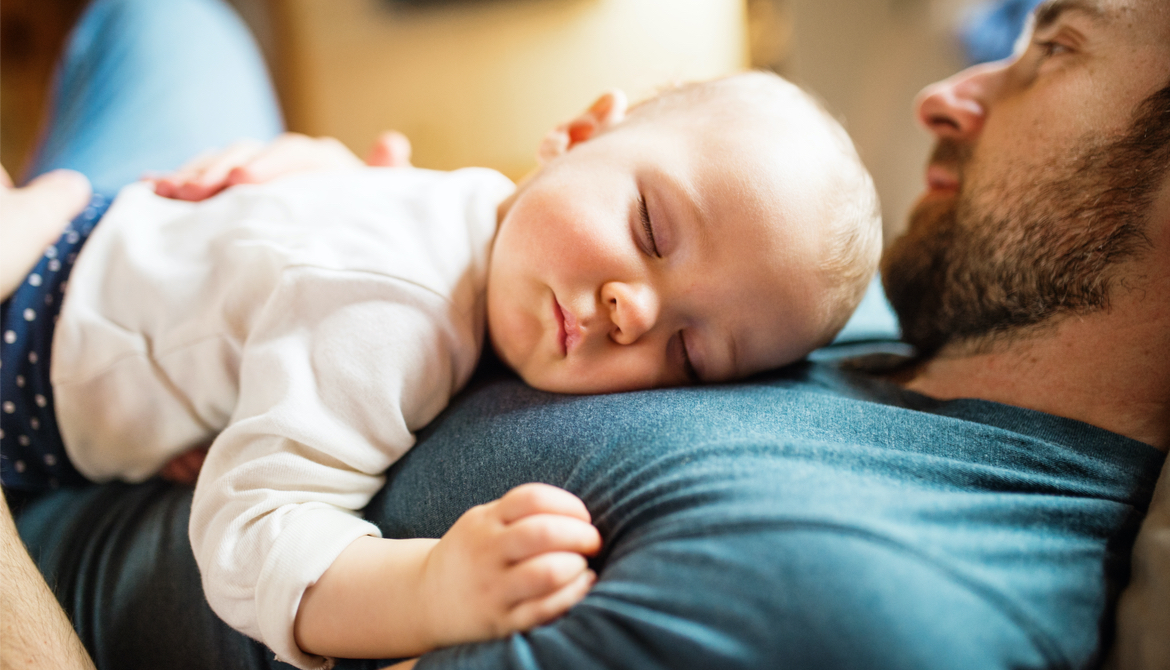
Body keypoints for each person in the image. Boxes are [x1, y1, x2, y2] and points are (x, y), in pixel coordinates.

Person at [4, 0, 1168, 668]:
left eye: (1057, 46)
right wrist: (325, 210)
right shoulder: (884, 297)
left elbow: (269, 546)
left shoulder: (870, 604)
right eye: (651, 225)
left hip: (48, 424)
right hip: (184, 257)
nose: (950, 90)